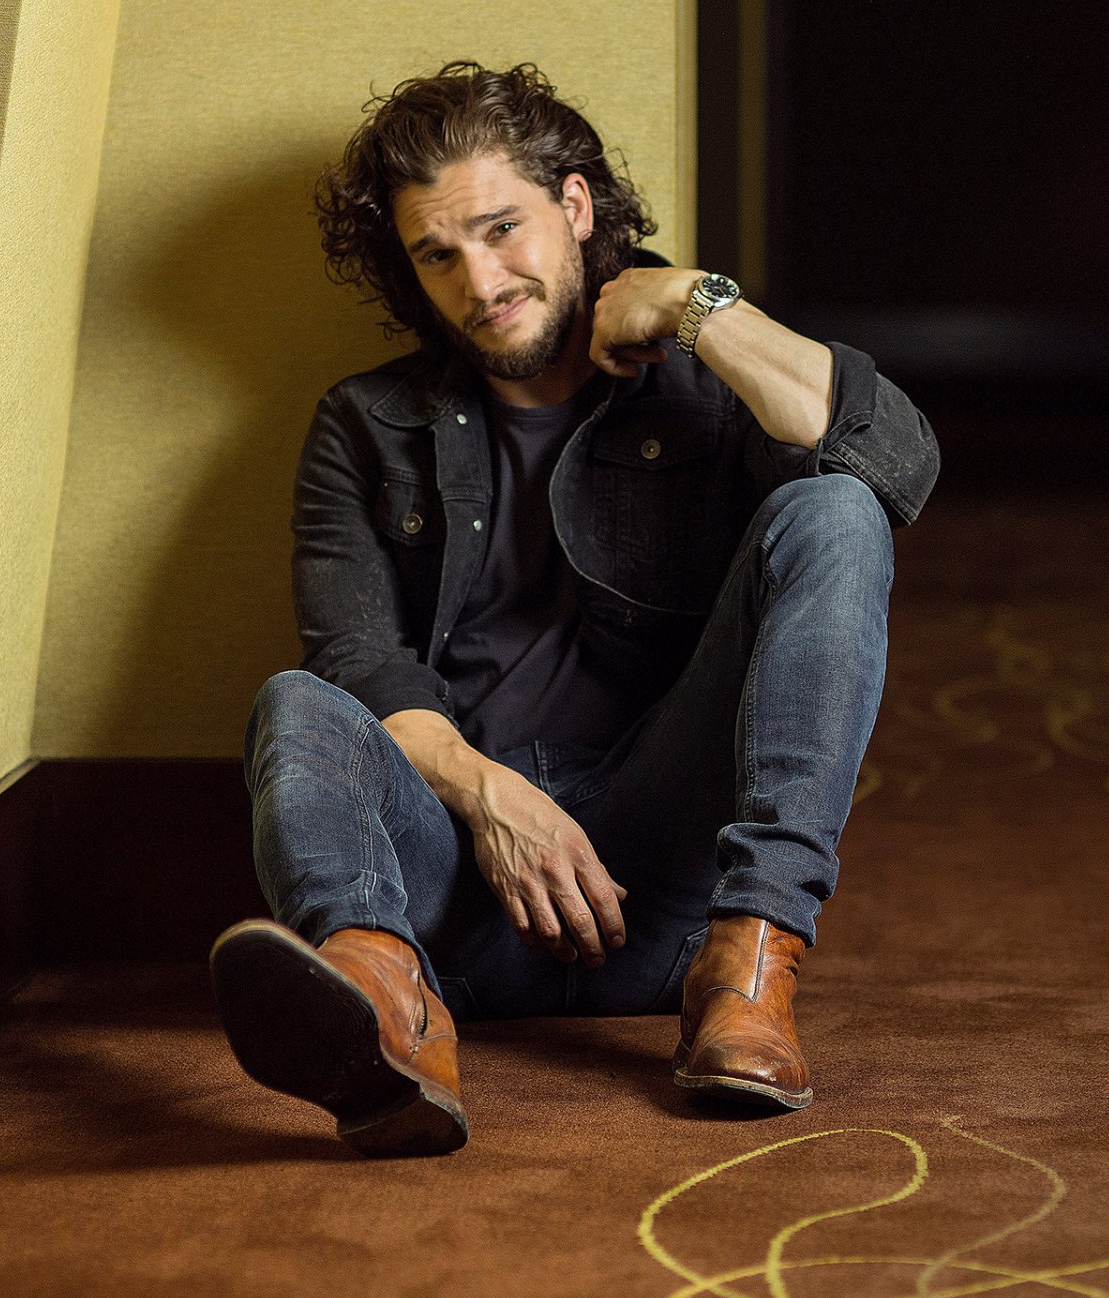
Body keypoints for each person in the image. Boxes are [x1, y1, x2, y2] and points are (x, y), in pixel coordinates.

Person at [209, 61, 939, 1157]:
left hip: (664, 894)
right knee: (296, 702)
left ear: (578, 204)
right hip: (458, 903)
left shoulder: (698, 388)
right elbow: (362, 661)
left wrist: (699, 305)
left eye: (503, 228)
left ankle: (750, 973)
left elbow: (894, 465)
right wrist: (492, 799)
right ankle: (380, 1006)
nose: (481, 279)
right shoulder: (364, 427)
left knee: (833, 512)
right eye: (437, 254)